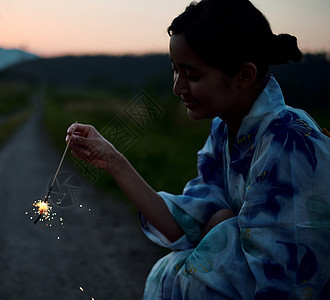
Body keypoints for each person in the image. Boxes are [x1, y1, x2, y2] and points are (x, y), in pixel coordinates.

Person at [66, 0, 330, 298]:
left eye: (192, 75)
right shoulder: (223, 130)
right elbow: (186, 224)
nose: (178, 88)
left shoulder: (288, 140)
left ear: (244, 75)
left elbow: (290, 280)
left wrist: (222, 230)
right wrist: (113, 160)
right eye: (175, 71)